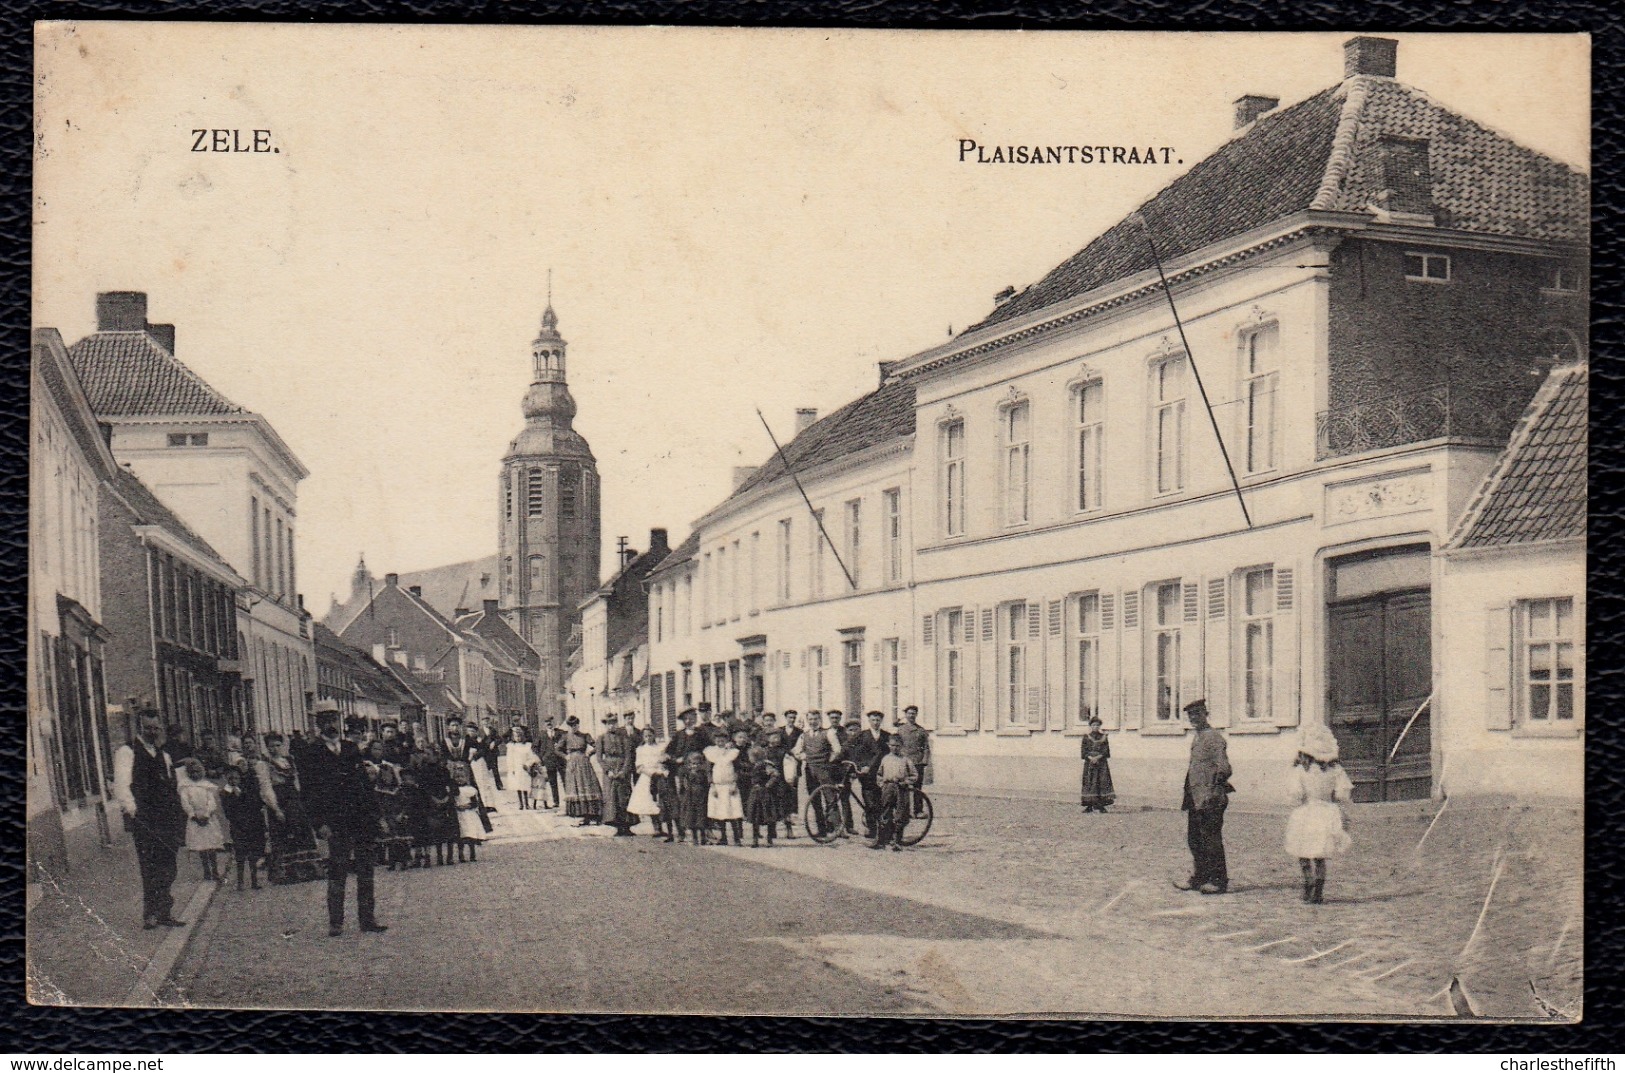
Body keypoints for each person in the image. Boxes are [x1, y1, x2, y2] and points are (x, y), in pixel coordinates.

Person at [301, 713, 388, 936]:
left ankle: (367, 919)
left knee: (366, 870)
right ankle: (336, 922)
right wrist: (318, 823)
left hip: (360, 818)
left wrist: (377, 815)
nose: (331, 725)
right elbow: (308, 793)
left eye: (334, 721)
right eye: (326, 721)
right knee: (338, 870)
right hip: (335, 821)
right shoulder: (312, 752)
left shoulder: (350, 749)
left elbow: (364, 786)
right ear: (319, 724)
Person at [110, 709, 187, 929]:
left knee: (169, 866)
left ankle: (165, 911)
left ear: (160, 728)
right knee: (150, 867)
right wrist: (134, 812)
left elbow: (174, 785)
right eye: (147, 728)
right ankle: (150, 913)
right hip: (145, 820)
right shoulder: (128, 752)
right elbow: (122, 786)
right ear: (139, 727)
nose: (152, 732)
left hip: (167, 819)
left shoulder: (164, 755)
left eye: (156, 728)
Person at [1285, 724, 1355, 904]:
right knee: (1320, 855)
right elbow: (1342, 794)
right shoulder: (1335, 770)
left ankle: (1308, 885)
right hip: (1326, 813)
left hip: (1306, 813)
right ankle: (1319, 890)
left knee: (1303, 852)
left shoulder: (1301, 770)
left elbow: (1296, 795)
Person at [1175, 699, 1233, 896]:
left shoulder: (1214, 737)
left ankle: (1218, 881)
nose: (1194, 719)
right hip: (1195, 795)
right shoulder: (1198, 737)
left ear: (1205, 714)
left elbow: (1224, 767)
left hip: (1210, 796)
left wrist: (1213, 789)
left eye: (1197, 715)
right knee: (1195, 838)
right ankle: (1200, 877)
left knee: (1211, 839)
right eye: (1191, 716)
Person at [257, 732, 317, 884]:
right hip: (279, 801)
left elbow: (296, 782)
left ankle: (307, 869)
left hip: (293, 801)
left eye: (278, 745)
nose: (275, 749)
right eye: (271, 746)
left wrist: (299, 800)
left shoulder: (289, 761)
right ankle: (285, 873)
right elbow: (266, 788)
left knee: (301, 832)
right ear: (267, 747)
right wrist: (275, 808)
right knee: (283, 835)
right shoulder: (263, 764)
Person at [794, 711, 844, 837]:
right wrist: (804, 756)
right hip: (810, 770)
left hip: (825, 770)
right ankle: (821, 829)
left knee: (830, 798)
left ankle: (837, 828)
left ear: (820, 719)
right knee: (815, 800)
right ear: (807, 720)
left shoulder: (828, 733)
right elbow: (796, 751)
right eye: (810, 719)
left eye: (815, 719)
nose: (813, 722)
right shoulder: (803, 736)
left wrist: (829, 760)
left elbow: (837, 750)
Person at [218, 763, 266, 890]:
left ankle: (254, 881)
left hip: (250, 825)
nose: (234, 781)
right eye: (230, 779)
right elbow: (228, 812)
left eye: (236, 778)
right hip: (237, 827)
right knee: (240, 855)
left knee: (252, 854)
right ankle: (240, 882)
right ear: (226, 779)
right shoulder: (224, 793)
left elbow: (253, 805)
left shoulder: (245, 790)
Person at [178, 758, 227, 883]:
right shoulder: (185, 786)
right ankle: (206, 871)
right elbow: (185, 802)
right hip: (195, 819)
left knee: (211, 845)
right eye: (192, 772)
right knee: (201, 846)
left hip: (207, 817)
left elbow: (211, 801)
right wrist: (193, 815)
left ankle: (215, 870)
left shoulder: (206, 786)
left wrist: (207, 814)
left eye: (197, 771)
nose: (195, 774)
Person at [845, 711, 890, 838]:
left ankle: (884, 829)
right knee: (869, 802)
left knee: (881, 800)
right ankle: (872, 829)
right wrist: (859, 765)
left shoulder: (887, 736)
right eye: (873, 720)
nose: (875, 723)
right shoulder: (862, 735)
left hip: (881, 773)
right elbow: (850, 749)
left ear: (881, 721)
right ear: (869, 721)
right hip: (866, 774)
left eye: (878, 720)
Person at [871, 740, 919, 852]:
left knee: (900, 814)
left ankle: (897, 842)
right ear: (889, 745)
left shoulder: (905, 760)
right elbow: (879, 774)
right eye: (892, 745)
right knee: (885, 812)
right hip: (888, 788)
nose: (895, 748)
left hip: (901, 789)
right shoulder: (885, 759)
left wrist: (906, 781)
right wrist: (882, 784)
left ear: (901, 746)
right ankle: (882, 841)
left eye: (898, 746)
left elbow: (914, 775)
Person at [629, 726, 672, 841]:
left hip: (659, 775)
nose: (648, 738)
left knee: (661, 801)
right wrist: (650, 773)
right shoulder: (641, 749)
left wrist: (662, 770)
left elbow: (663, 761)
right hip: (647, 776)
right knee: (650, 802)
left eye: (650, 735)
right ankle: (656, 827)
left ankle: (665, 827)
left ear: (654, 735)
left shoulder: (659, 748)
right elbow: (639, 767)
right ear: (643, 737)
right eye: (646, 736)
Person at [597, 713, 636, 837]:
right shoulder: (601, 738)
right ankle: (617, 826)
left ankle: (627, 826)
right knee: (612, 798)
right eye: (609, 724)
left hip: (622, 767)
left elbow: (628, 756)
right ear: (605, 725)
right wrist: (607, 770)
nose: (611, 726)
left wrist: (624, 771)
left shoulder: (624, 737)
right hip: (609, 771)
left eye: (613, 723)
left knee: (624, 797)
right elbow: (599, 758)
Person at [704, 727, 744, 846]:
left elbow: (737, 769)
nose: (720, 742)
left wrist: (734, 784)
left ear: (727, 740)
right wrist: (713, 785)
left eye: (722, 740)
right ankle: (723, 837)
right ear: (714, 740)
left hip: (730, 786)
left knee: (733, 813)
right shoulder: (711, 753)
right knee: (720, 814)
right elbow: (708, 770)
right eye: (718, 740)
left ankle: (737, 838)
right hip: (718, 786)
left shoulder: (732, 753)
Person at [560, 716, 603, 826]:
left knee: (587, 787)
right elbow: (557, 749)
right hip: (572, 765)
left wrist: (590, 753)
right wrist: (565, 756)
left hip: (584, 764)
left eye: (575, 725)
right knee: (576, 789)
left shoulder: (585, 735)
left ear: (578, 725)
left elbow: (597, 745)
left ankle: (591, 815)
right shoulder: (565, 737)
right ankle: (580, 817)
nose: (573, 728)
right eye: (571, 726)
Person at [894, 706, 932, 816]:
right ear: (905, 715)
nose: (911, 715)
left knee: (917, 788)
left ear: (916, 715)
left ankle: (918, 811)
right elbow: (896, 745)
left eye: (913, 713)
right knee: (902, 787)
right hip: (904, 761)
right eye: (909, 713)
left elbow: (926, 747)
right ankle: (904, 811)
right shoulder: (901, 730)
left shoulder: (921, 730)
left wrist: (924, 760)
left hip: (917, 762)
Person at [746, 744, 783, 848]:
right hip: (756, 793)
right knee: (755, 817)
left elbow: (775, 775)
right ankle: (755, 839)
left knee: (769, 816)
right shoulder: (754, 766)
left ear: (755, 757)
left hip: (766, 794)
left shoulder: (766, 765)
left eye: (751, 757)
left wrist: (768, 784)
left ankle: (769, 839)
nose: (749, 759)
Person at [676, 743, 711, 846]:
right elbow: (685, 786)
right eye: (693, 764)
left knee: (702, 818)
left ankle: (703, 837)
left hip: (701, 797)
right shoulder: (687, 774)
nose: (695, 766)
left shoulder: (703, 774)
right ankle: (695, 837)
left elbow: (706, 785)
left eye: (697, 764)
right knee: (692, 818)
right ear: (689, 764)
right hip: (691, 797)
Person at [1080, 716, 1116, 813]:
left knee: (1101, 782)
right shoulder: (1086, 737)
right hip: (1089, 764)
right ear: (1090, 726)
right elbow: (1083, 752)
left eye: (1097, 725)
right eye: (1093, 725)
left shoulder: (1103, 737)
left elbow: (1106, 752)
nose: (1095, 727)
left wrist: (1098, 757)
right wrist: (1091, 758)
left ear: (1099, 726)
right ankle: (1089, 806)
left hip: (1101, 764)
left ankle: (1101, 806)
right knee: (1090, 783)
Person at [451, 764, 485, 863]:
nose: (459, 779)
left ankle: (472, 853)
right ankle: (461, 854)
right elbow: (452, 800)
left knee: (471, 833)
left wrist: (466, 806)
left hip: (469, 814)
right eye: (457, 777)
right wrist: (456, 806)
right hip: (459, 814)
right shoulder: (454, 790)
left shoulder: (471, 790)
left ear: (466, 777)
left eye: (462, 777)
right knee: (461, 835)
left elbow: (475, 803)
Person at [502, 726, 539, 811]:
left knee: (525, 785)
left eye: (519, 736)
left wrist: (528, 764)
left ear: (522, 737)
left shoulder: (526, 746)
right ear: (513, 737)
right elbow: (509, 758)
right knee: (518, 785)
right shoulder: (512, 747)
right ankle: (521, 804)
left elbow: (531, 757)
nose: (518, 738)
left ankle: (526, 803)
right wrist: (512, 768)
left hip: (524, 767)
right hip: (516, 767)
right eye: (516, 736)